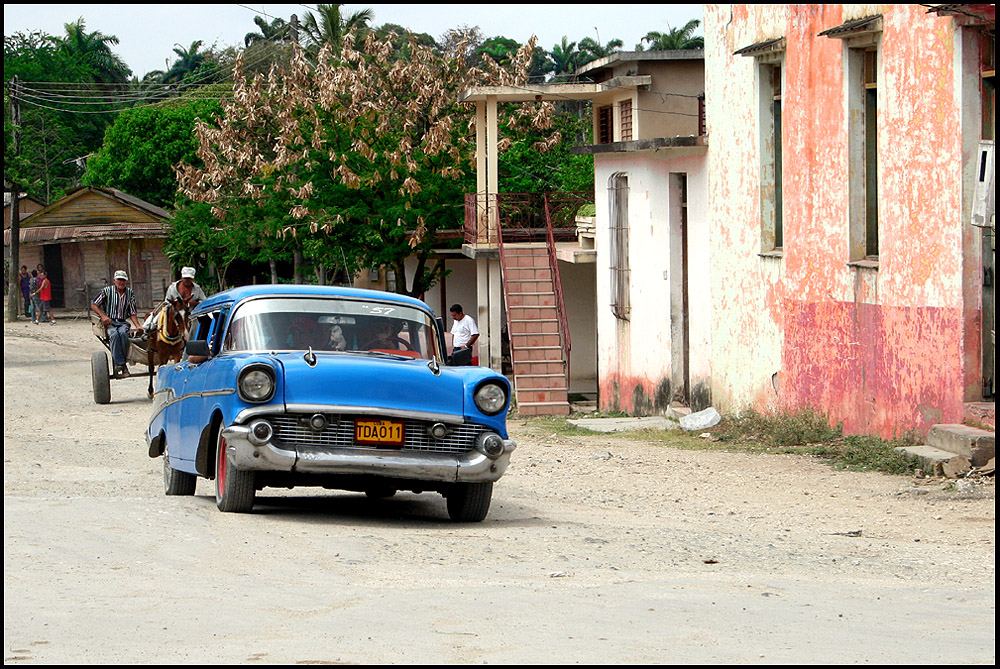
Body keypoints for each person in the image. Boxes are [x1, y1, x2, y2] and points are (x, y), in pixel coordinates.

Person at [91, 270, 142, 377]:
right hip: (110, 322)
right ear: (114, 280)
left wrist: (137, 326)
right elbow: (94, 304)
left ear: (126, 281)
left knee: (123, 334)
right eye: (119, 280)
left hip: (122, 322)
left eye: (123, 280)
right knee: (114, 335)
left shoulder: (130, 293)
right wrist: (103, 316)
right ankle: (121, 364)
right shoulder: (107, 291)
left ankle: (121, 363)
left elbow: (132, 312)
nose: (121, 282)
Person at [144, 266, 207, 331]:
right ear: (181, 277)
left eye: (189, 278)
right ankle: (148, 329)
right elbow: (167, 302)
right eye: (185, 278)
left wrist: (195, 303)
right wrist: (175, 304)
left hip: (192, 314)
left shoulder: (197, 289)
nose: (187, 280)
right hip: (174, 313)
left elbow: (205, 301)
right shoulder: (172, 288)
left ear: (192, 279)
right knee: (157, 316)